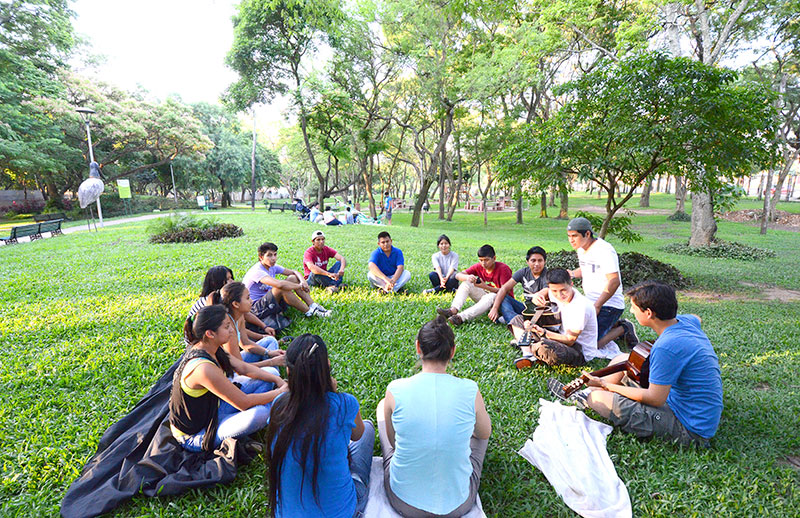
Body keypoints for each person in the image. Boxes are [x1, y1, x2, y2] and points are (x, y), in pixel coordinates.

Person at [565, 281, 723, 447]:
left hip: (690, 429)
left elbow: (655, 399)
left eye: (634, 307)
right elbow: (697, 318)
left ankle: (589, 394)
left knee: (597, 398)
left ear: (648, 313)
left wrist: (606, 385)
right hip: (683, 402)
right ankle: (587, 392)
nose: (631, 311)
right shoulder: (686, 322)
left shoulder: (666, 347)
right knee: (623, 359)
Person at [377, 316, 491, 517]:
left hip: (403, 501)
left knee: (382, 410)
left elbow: (394, 444)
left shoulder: (395, 389)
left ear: (418, 347)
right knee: (481, 435)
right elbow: (483, 433)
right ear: (453, 351)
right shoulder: (469, 389)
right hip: (459, 503)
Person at [267, 334, 375, 517]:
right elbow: (357, 435)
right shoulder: (345, 404)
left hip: (286, 513)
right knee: (368, 429)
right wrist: (333, 392)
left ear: (288, 371)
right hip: (341, 511)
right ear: (327, 367)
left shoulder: (278, 405)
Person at [169, 305, 287, 452]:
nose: (232, 330)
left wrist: (278, 381)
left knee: (271, 373)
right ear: (210, 333)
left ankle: (274, 406)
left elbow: (243, 368)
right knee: (261, 414)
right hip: (197, 434)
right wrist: (280, 392)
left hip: (215, 407)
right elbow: (243, 403)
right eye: (227, 327)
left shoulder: (212, 347)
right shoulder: (203, 368)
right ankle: (280, 408)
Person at [532, 217, 636, 348]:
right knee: (571, 333)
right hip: (588, 301)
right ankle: (611, 324)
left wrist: (597, 306)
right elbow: (587, 268)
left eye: (574, 236)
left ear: (587, 234)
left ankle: (623, 328)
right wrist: (571, 274)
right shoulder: (581, 249)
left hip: (609, 304)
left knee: (590, 344)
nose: (571, 240)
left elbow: (614, 281)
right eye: (569, 236)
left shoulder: (604, 250)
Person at [515, 268, 602, 369]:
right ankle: (528, 353)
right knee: (518, 319)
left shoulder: (582, 307)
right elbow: (547, 291)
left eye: (563, 290)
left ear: (571, 284)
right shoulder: (553, 292)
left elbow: (570, 340)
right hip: (557, 335)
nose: (559, 295)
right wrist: (537, 296)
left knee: (544, 348)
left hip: (578, 350)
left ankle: (529, 346)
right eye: (555, 291)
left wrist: (543, 332)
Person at [243, 242, 332, 327]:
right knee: (281, 288)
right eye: (269, 255)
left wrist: (303, 281)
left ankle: (313, 305)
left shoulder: (272, 266)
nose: (273, 258)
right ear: (261, 257)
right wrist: (300, 286)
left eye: (275, 254)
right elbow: (279, 285)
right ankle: (310, 312)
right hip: (254, 308)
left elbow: (294, 272)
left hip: (268, 300)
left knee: (292, 278)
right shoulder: (257, 271)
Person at [189, 265, 275, 341]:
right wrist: (262, 337)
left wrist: (264, 327)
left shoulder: (223, 297)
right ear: (216, 283)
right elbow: (237, 331)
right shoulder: (215, 303)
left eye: (231, 278)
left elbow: (246, 315)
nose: (232, 282)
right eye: (227, 279)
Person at [212, 282, 286, 367]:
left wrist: (269, 353)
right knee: (272, 371)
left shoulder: (239, 316)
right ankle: (274, 377)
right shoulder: (228, 328)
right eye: (247, 298)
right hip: (231, 373)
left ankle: (273, 376)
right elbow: (238, 368)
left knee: (270, 340)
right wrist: (271, 362)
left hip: (239, 364)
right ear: (236, 304)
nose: (251, 301)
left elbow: (245, 343)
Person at [437, 244, 514, 326]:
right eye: (481, 260)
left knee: (491, 296)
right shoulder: (479, 266)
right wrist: (467, 277)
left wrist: (485, 287)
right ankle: (453, 310)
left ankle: (460, 318)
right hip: (487, 299)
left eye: (486, 260)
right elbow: (457, 275)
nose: (483, 263)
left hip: (504, 303)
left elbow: (505, 291)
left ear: (494, 258)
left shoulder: (503, 269)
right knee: (466, 283)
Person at [489, 246, 548, 340]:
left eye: (540, 261)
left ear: (544, 262)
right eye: (533, 260)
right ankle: (515, 322)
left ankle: (517, 325)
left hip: (541, 312)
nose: (537, 264)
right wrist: (495, 308)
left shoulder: (548, 274)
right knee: (504, 297)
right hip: (526, 310)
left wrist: (538, 295)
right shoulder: (523, 272)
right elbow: (504, 288)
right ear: (527, 262)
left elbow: (546, 289)